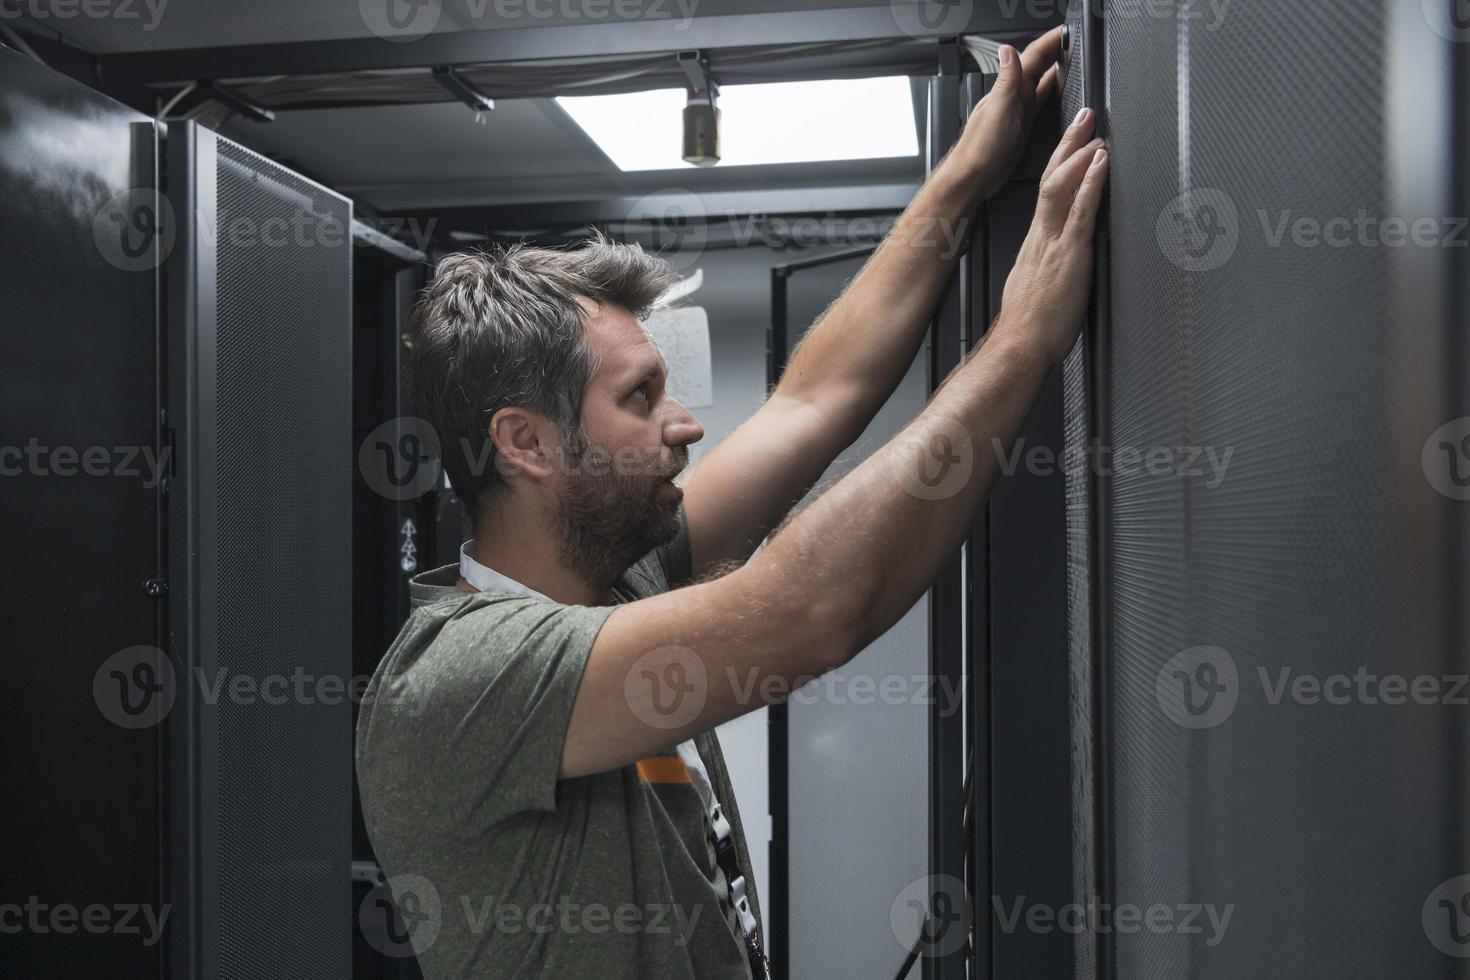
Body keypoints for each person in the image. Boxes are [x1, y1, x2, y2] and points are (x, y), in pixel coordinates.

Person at [356, 26, 1108, 980]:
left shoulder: (615, 575)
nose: (684, 426)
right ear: (524, 442)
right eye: (639, 397)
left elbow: (810, 403)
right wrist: (1022, 341)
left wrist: (963, 178)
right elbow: (809, 609)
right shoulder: (461, 675)